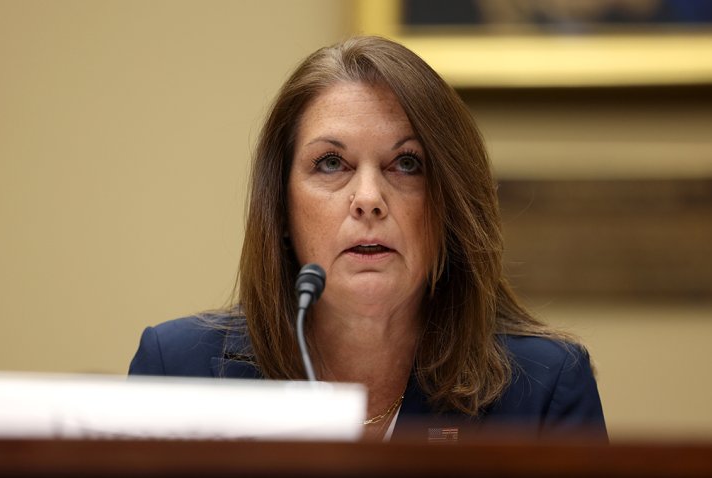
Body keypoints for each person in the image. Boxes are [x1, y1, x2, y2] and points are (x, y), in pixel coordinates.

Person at [129, 36, 606, 442]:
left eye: (406, 164)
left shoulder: (544, 387)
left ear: (449, 207)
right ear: (282, 207)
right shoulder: (180, 370)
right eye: (332, 164)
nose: (369, 199)